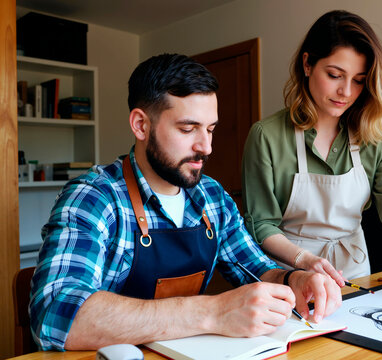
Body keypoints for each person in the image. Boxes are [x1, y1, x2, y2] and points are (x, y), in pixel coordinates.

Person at [30, 54, 341, 351]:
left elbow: (257, 269)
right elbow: (56, 314)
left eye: (210, 129)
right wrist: (215, 312)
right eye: (188, 129)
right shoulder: (93, 198)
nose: (205, 147)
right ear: (141, 125)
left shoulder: (213, 198)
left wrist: (294, 280)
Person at [241, 10, 382, 306]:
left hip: (353, 273)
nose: (345, 92)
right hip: (289, 274)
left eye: (359, 80)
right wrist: (304, 260)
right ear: (308, 64)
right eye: (334, 75)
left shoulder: (376, 137)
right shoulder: (266, 136)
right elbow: (261, 224)